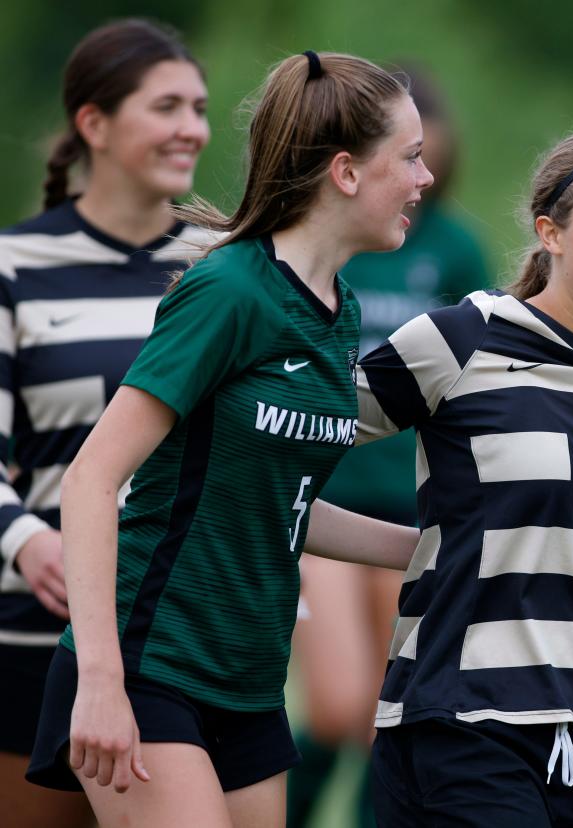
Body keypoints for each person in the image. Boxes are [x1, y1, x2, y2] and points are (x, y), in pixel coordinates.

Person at [25, 51, 431, 828]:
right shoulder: (230, 289)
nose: (424, 180)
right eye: (408, 159)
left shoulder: (336, 310)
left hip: (247, 682)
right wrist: (102, 682)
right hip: (152, 666)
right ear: (345, 172)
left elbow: (277, 503)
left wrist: (437, 548)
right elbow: (91, 481)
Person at [359, 122, 573, 828]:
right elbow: (287, 440)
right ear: (550, 233)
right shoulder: (461, 340)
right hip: (467, 718)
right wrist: (407, 547)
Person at [0, 19, 213, 828]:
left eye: (197, 106)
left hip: (182, 644)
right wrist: (28, 540)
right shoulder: (14, 267)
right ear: (94, 123)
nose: (193, 127)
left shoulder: (220, 265)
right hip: (32, 640)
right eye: (166, 106)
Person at [287, 62, 489, 828]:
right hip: (325, 495)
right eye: (405, 159)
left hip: (411, 503)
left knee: (387, 718)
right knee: (338, 706)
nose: (419, 178)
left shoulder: (456, 248)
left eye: (426, 158)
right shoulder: (342, 236)